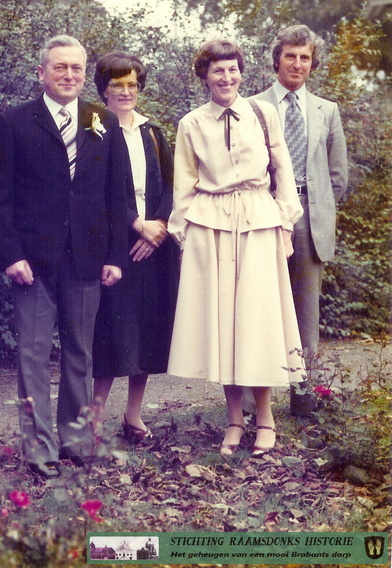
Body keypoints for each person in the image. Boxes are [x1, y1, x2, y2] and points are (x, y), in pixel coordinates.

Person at [0, 35, 130, 478]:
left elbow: (118, 195)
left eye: (76, 68)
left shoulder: (102, 120)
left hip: (86, 257)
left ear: (85, 74)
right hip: (33, 261)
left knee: (80, 352)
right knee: (31, 355)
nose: (69, 75)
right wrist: (12, 255)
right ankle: (39, 448)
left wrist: (115, 256)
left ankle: (76, 440)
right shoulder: (15, 121)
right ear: (41, 72)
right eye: (60, 67)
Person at [167, 39, 306, 458]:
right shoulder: (192, 123)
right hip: (211, 225)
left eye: (232, 69)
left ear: (241, 73)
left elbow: (282, 169)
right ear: (205, 76)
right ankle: (234, 420)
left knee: (257, 321)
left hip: (259, 219)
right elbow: (184, 184)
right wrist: (183, 235)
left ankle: (265, 418)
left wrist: (285, 223)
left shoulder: (263, 114)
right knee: (224, 322)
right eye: (218, 71)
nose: (226, 78)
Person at [252, 24, 348, 416]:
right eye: (290, 56)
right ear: (277, 60)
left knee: (306, 309)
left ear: (313, 63)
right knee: (259, 303)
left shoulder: (327, 110)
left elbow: (337, 176)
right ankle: (254, 399)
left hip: (310, 215)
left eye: (304, 57)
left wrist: (316, 205)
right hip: (264, 212)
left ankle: (303, 394)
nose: (297, 63)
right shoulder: (252, 106)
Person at [91, 52, 179, 442]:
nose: (125, 92)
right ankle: (94, 419)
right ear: (103, 89)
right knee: (111, 332)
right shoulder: (93, 128)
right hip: (115, 244)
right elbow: (96, 188)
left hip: (154, 244)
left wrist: (159, 225)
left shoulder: (152, 132)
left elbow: (174, 184)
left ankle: (133, 414)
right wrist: (136, 224)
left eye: (132, 85)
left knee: (147, 330)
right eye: (117, 85)